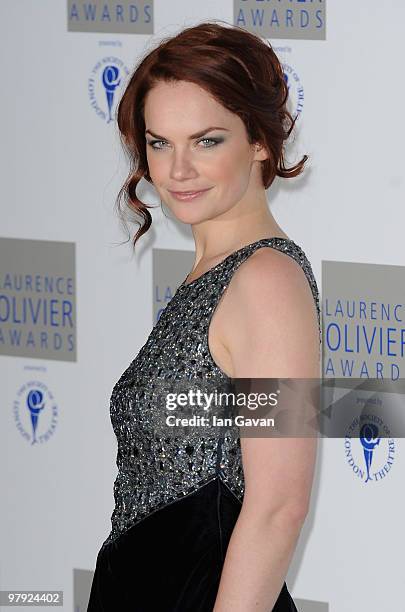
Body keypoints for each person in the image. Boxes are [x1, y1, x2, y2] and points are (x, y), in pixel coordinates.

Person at [87, 20, 321, 612]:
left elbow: (277, 505)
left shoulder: (266, 282)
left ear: (261, 142)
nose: (177, 169)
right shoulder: (213, 276)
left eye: (207, 140)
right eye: (159, 141)